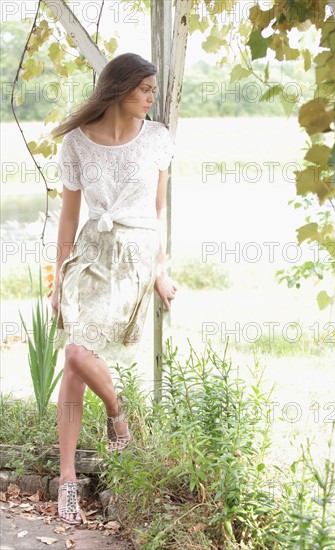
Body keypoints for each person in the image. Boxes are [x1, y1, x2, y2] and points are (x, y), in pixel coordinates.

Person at [49, 53, 178, 524]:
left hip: (133, 259)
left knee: (77, 356)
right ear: (120, 89)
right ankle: (68, 480)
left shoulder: (158, 140)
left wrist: (161, 269)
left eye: (153, 90)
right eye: (144, 88)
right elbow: (68, 217)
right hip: (88, 257)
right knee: (74, 355)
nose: (151, 97)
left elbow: (159, 211)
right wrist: (58, 275)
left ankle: (115, 414)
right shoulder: (77, 145)